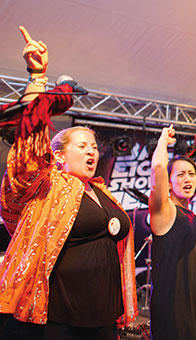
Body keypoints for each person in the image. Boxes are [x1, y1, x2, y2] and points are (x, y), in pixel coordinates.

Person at [0, 27, 137, 340]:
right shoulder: (45, 184)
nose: (92, 151)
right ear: (57, 156)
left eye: (94, 146)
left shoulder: (101, 191)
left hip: (102, 314)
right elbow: (29, 137)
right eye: (82, 146)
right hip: (59, 318)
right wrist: (38, 77)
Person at [148, 125, 196, 340]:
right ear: (169, 181)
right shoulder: (165, 211)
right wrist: (163, 140)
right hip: (173, 305)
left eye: (192, 174)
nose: (188, 179)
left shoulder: (192, 216)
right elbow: (158, 168)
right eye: (181, 174)